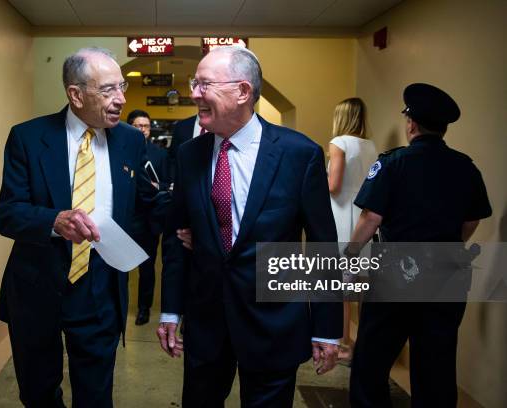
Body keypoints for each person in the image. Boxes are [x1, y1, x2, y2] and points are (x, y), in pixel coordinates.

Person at [157, 46, 342, 407]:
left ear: (243, 91)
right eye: (195, 83)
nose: (193, 93)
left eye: (204, 84)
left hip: (273, 321)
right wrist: (170, 310)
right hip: (207, 322)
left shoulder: (298, 154)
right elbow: (176, 237)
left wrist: (328, 329)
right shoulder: (189, 154)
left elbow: (323, 247)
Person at [0, 47, 167, 408]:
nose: (121, 99)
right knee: (39, 394)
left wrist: (193, 219)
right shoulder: (28, 137)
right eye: (108, 90)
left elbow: (146, 204)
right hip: (37, 286)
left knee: (96, 396)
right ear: (75, 94)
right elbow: (7, 213)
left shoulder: (131, 141)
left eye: (121, 87)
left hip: (100, 288)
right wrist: (53, 221)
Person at [346, 83, 492, 407]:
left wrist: (349, 258)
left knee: (373, 359)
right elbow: (472, 220)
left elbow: (371, 219)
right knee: (436, 366)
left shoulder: (394, 163)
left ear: (410, 123)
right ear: (443, 128)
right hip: (447, 274)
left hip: (395, 274)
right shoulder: (464, 167)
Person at [327, 97, 377, 360]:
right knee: (360, 284)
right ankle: (362, 343)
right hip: (364, 216)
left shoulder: (339, 143)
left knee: (341, 285)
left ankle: (344, 343)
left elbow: (334, 185)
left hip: (340, 212)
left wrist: (313, 183)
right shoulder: (370, 146)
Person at [126, 109, 171, 325]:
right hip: (126, 217)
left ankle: (144, 308)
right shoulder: (122, 151)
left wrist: (157, 186)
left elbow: (170, 184)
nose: (142, 129)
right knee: (121, 264)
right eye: (138, 126)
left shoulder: (160, 154)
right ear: (129, 127)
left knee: (147, 267)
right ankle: (119, 304)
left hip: (150, 219)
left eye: (145, 126)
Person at [167, 114, 201, 181]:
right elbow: (173, 157)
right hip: (185, 182)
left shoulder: (221, 124)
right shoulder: (181, 126)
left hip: (215, 182)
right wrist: (173, 180)